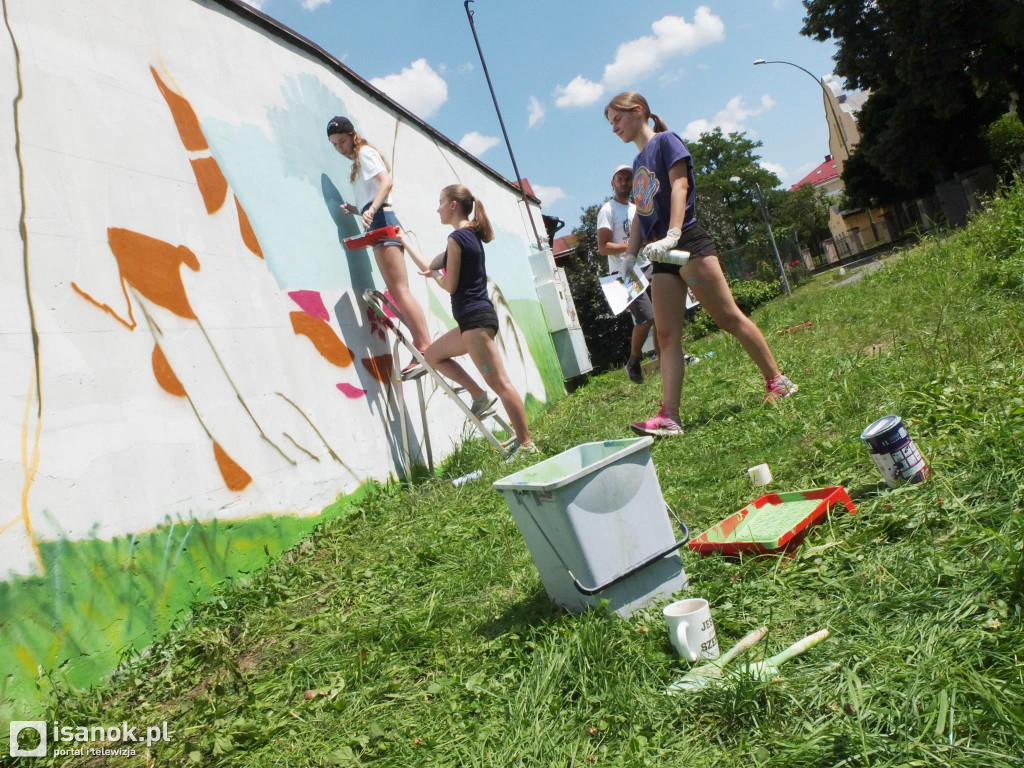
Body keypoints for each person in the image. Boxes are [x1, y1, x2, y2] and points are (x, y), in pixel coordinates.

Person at [604, 92, 797, 437]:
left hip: (687, 242)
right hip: (661, 255)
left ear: (638, 112)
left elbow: (680, 184)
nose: (614, 127)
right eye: (611, 123)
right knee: (665, 336)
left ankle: (778, 381)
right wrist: (630, 255)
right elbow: (640, 215)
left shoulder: (666, 141)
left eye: (617, 118)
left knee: (727, 318)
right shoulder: (636, 165)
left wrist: (675, 231)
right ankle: (670, 417)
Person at [415, 184, 536, 456]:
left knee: (501, 383)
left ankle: (527, 444)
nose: (438, 208)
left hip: (474, 319)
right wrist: (403, 240)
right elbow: (430, 265)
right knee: (433, 355)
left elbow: (449, 285)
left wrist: (436, 277)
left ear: (453, 205)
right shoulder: (468, 237)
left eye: (440, 202)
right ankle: (479, 396)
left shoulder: (457, 239)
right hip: (473, 321)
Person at [327, 116, 431, 365]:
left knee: (400, 290)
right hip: (378, 220)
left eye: (342, 141)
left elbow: (386, 182)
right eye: (334, 145)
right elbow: (373, 192)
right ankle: (424, 345)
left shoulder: (364, 152)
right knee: (397, 290)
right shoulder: (358, 160)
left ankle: (425, 346)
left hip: (382, 220)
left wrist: (372, 209)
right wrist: (357, 208)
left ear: (352, 135)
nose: (340, 148)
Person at [597, 165, 659, 383]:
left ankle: (668, 358)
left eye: (627, 179)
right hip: (623, 271)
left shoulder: (637, 209)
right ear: (613, 183)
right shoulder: (607, 210)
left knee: (662, 315)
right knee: (646, 318)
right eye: (619, 179)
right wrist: (632, 246)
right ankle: (633, 360)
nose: (624, 183)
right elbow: (603, 247)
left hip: (646, 265)